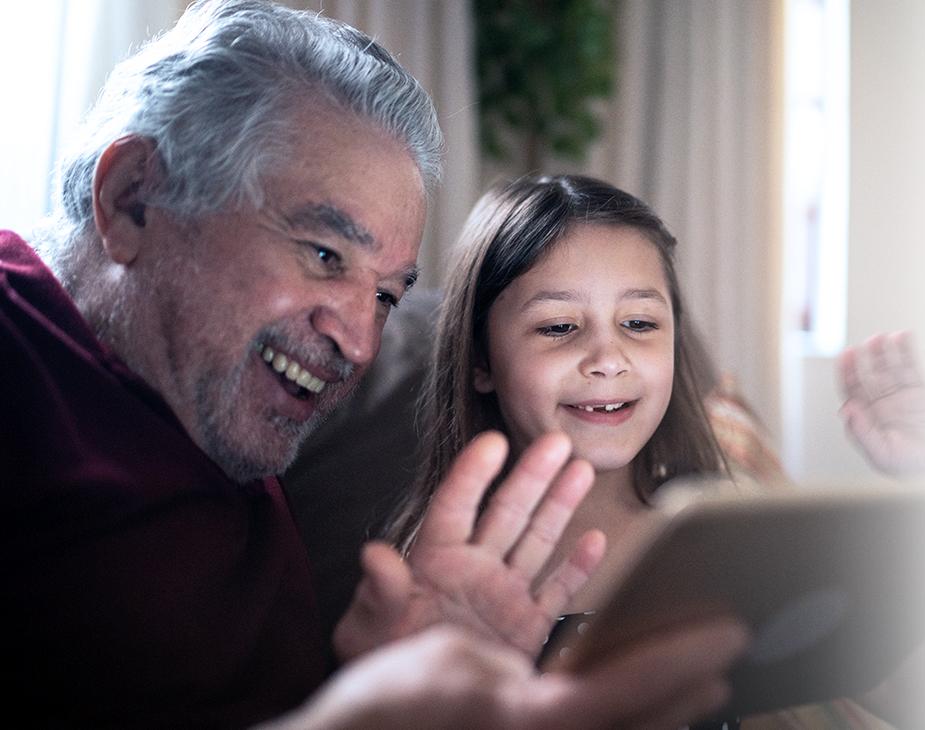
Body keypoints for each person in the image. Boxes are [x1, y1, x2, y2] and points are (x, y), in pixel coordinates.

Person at [1, 1, 745, 727]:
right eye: (325, 255)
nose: (360, 343)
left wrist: (389, 686)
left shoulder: (223, 417)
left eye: (388, 295)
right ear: (135, 198)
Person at [380, 174, 925, 728]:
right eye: (559, 327)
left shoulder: (737, 524)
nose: (608, 358)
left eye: (639, 323)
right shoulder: (442, 575)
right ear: (481, 359)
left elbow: (911, 695)